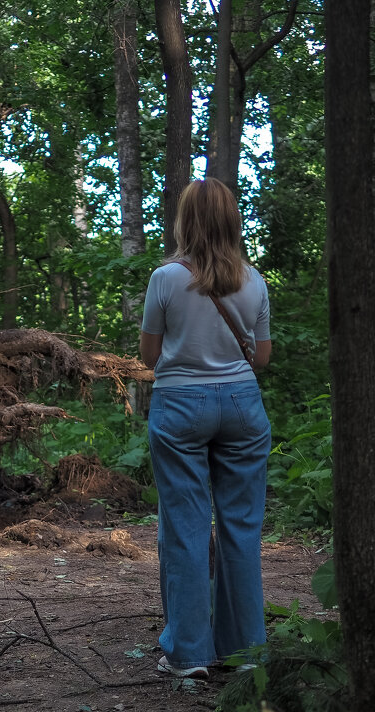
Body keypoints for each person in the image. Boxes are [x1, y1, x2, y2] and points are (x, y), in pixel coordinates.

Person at [139, 177, 272, 679]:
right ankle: (243, 654)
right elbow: (260, 358)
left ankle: (189, 654)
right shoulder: (255, 281)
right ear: (232, 221)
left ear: (186, 220)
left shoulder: (166, 278)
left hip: (180, 406)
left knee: (186, 527)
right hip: (242, 406)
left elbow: (150, 356)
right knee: (241, 528)